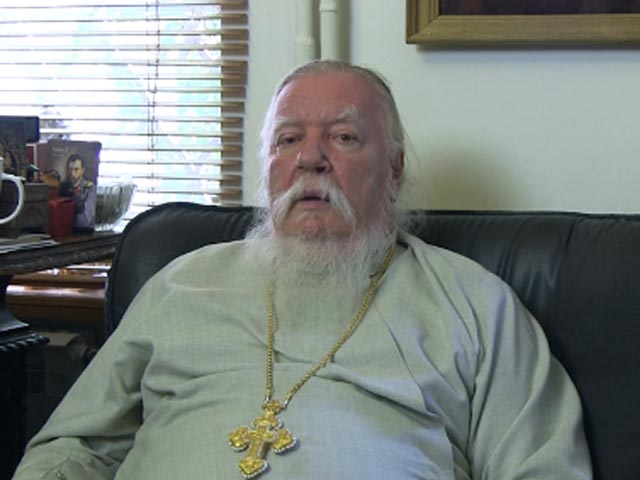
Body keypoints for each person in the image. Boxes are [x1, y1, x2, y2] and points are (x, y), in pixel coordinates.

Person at [12, 60, 592, 479]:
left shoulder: (475, 306)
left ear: (394, 170)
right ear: (267, 166)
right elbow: (73, 448)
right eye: (288, 139)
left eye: (343, 137)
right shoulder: (179, 285)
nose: (310, 158)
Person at [59, 153, 96, 230]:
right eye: (70, 169)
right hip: (63, 231)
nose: (72, 173)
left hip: (83, 232)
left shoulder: (89, 188)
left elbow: (85, 220)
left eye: (76, 169)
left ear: (82, 170)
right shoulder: (62, 187)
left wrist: (64, 221)